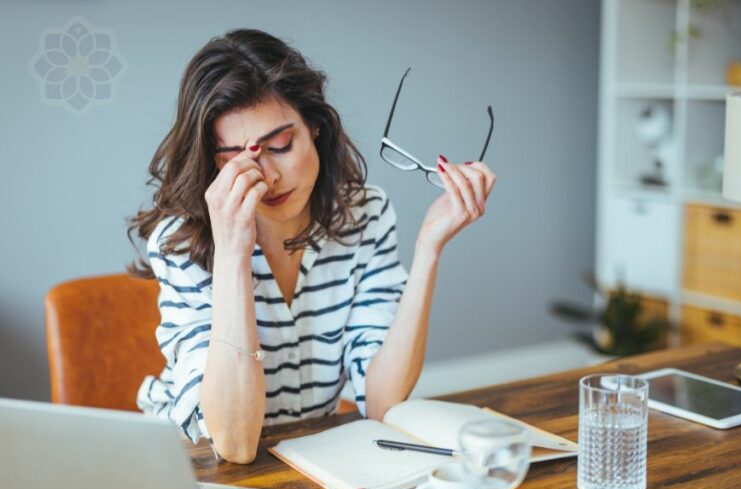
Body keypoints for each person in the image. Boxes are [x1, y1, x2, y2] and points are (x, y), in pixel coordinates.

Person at [128, 29, 496, 464]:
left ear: (315, 125)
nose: (269, 177)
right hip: (192, 466)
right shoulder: (180, 244)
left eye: (281, 146)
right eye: (237, 160)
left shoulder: (364, 216)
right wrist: (231, 255)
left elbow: (382, 404)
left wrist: (429, 249)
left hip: (308, 461)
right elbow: (235, 444)